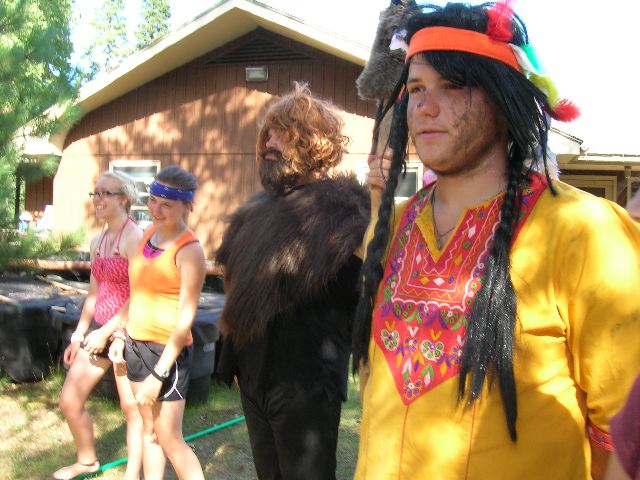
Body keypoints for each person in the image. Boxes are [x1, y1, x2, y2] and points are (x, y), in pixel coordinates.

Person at [352, 3, 640, 479]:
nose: (424, 106)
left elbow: (625, 430)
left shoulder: (585, 232)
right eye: (416, 88)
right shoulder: (393, 227)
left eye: (452, 85)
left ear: (502, 100)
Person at [214, 82, 370, 480]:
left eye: (282, 133)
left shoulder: (346, 211)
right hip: (255, 375)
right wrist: (235, 358)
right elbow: (237, 285)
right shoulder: (257, 211)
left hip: (306, 384)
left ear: (312, 141)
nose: (269, 142)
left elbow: (372, 279)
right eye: (268, 133)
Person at [54, 171, 165, 480]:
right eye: (96, 193)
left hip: (129, 333)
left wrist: (110, 333)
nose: (98, 199)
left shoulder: (136, 238)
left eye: (106, 193)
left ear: (123, 199)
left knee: (132, 409)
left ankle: (133, 473)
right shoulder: (98, 241)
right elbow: (94, 293)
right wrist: (79, 335)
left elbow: (140, 294)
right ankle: (86, 461)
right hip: (100, 329)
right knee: (70, 400)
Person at [109, 165, 206, 479]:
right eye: (152, 200)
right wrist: (120, 334)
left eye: (166, 205)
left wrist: (158, 375)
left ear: (187, 206)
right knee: (149, 432)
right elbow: (136, 292)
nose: (156, 209)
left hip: (166, 355)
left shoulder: (189, 251)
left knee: (170, 439)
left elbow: (184, 322)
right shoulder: (148, 234)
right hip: (136, 345)